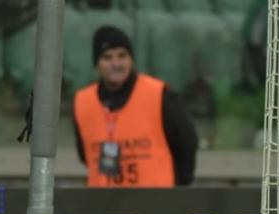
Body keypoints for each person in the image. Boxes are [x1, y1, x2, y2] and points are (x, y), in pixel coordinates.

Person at [73, 25, 198, 188]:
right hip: (103, 206)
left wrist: (177, 190)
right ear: (97, 64)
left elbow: (186, 144)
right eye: (107, 57)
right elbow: (85, 155)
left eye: (122, 56)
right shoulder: (83, 102)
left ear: (131, 59)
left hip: (155, 205)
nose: (116, 64)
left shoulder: (159, 95)